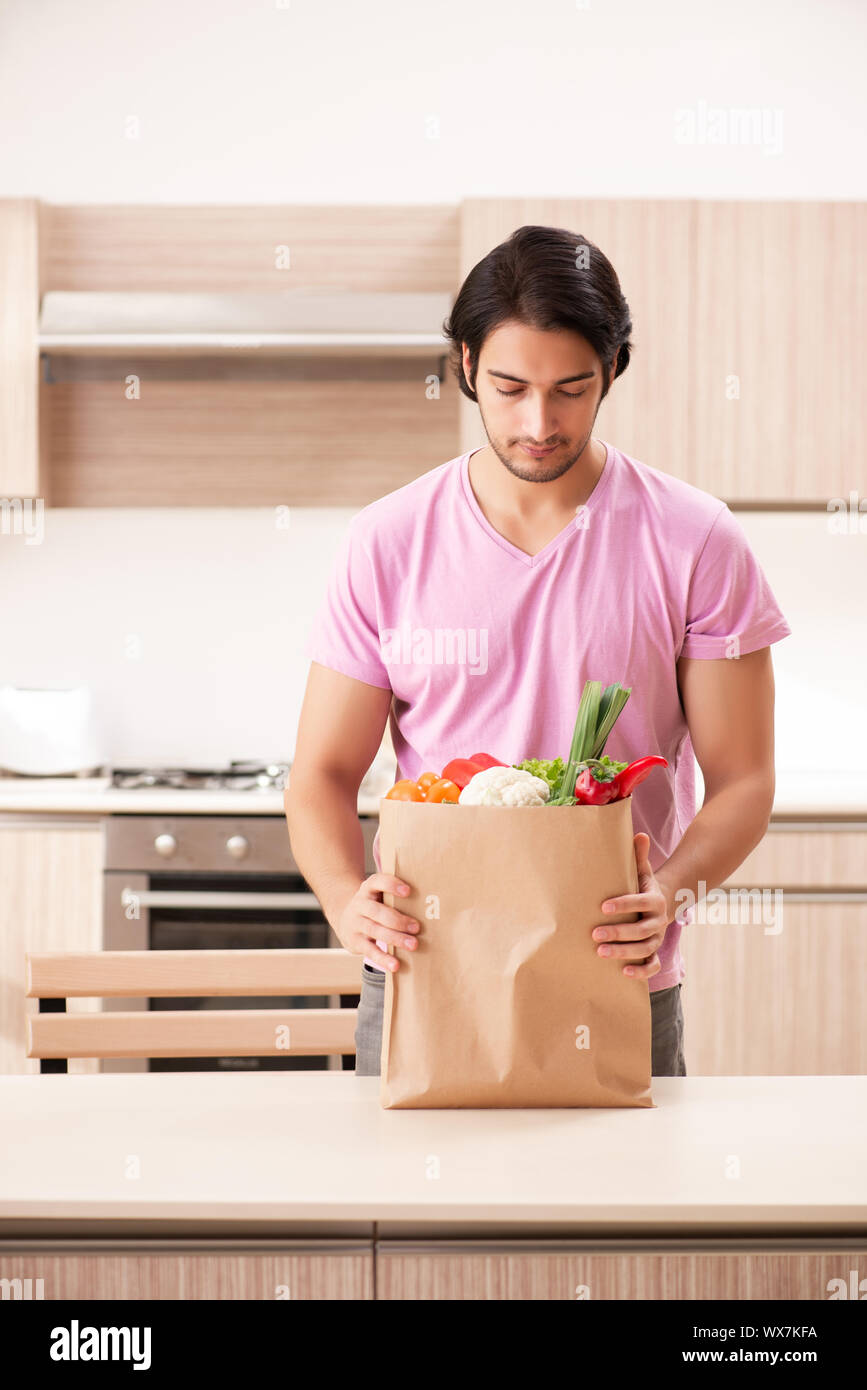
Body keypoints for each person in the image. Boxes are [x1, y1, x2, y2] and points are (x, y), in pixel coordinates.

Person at [285, 224, 792, 1079]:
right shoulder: (388, 540)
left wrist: (666, 896)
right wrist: (344, 902)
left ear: (615, 369)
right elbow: (321, 776)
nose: (537, 423)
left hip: (614, 975)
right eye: (509, 387)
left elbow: (743, 780)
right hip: (423, 974)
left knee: (612, 1214)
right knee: (410, 1214)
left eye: (571, 389)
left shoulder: (693, 538)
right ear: (464, 363)